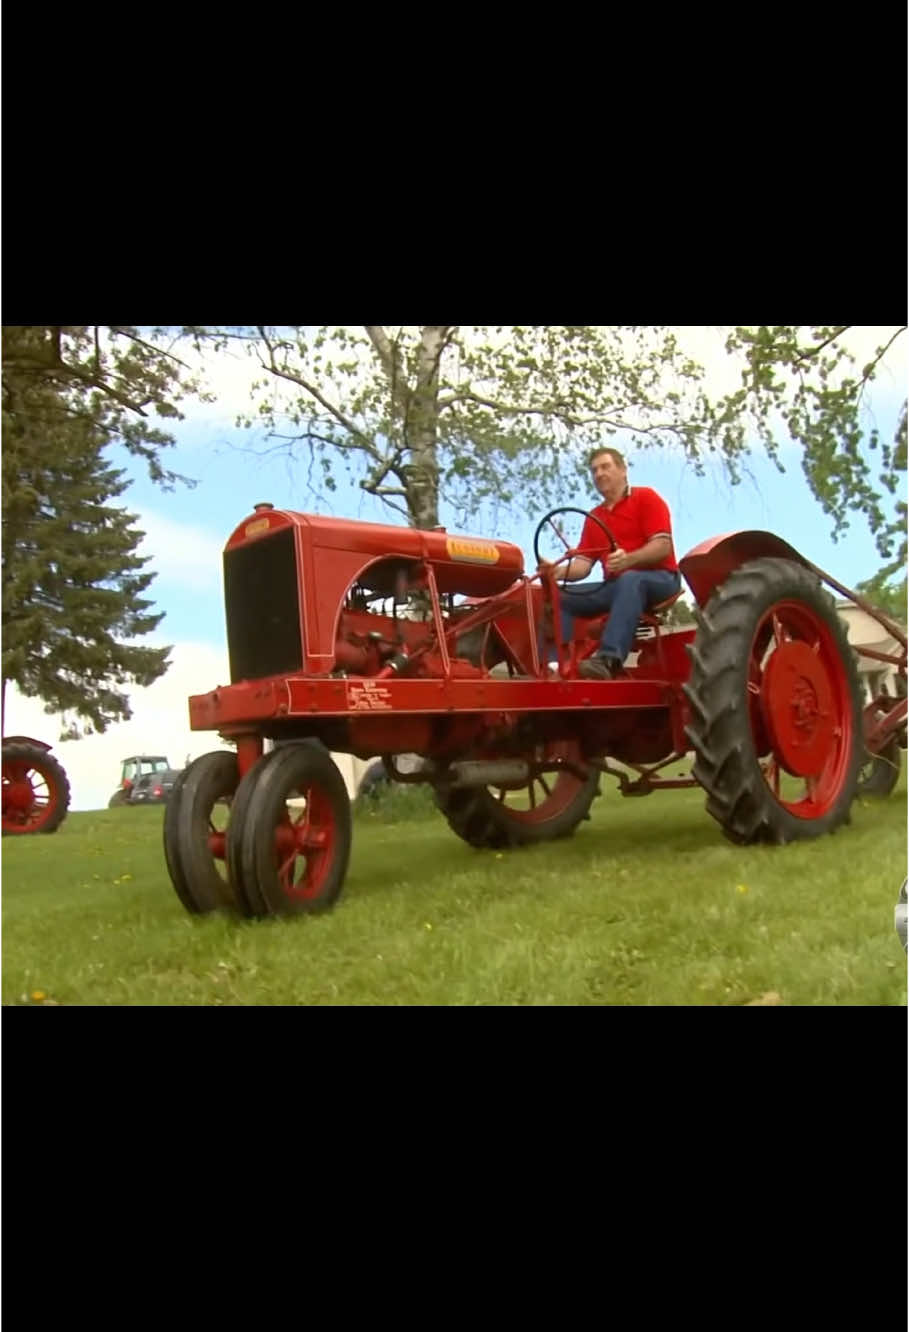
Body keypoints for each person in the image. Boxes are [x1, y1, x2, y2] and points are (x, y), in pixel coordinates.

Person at [537, 447, 681, 679]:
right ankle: (555, 665)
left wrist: (629, 560)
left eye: (606, 467)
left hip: (661, 579)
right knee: (557, 596)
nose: (599, 474)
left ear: (623, 470)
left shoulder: (646, 498)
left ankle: (607, 661)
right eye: (594, 470)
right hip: (616, 587)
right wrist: (555, 572)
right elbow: (583, 566)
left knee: (630, 578)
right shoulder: (595, 517)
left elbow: (662, 545)